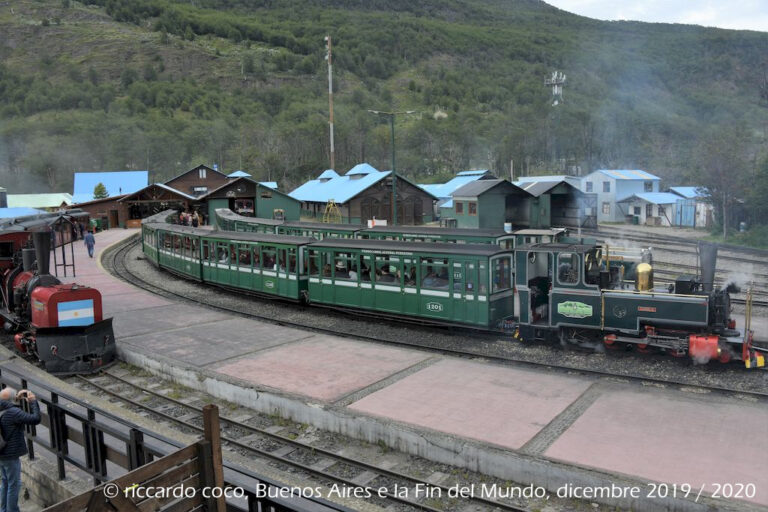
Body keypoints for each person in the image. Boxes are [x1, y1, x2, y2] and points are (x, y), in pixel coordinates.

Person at [0, 387, 41, 512]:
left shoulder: (2, 408)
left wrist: (15, 399)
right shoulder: (13, 412)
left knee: (5, 482)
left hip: (1, 453)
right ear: (13, 399)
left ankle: (3, 510)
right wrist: (33, 401)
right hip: (10, 454)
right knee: (14, 484)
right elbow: (35, 419)